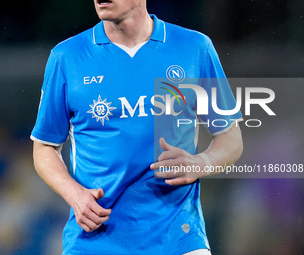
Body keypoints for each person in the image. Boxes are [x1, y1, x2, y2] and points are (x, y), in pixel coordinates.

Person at [31, 0, 243, 254]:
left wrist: (203, 162)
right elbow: (44, 147)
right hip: (94, 240)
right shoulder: (67, 57)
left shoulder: (194, 48)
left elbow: (230, 138)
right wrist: (75, 194)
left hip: (179, 240)